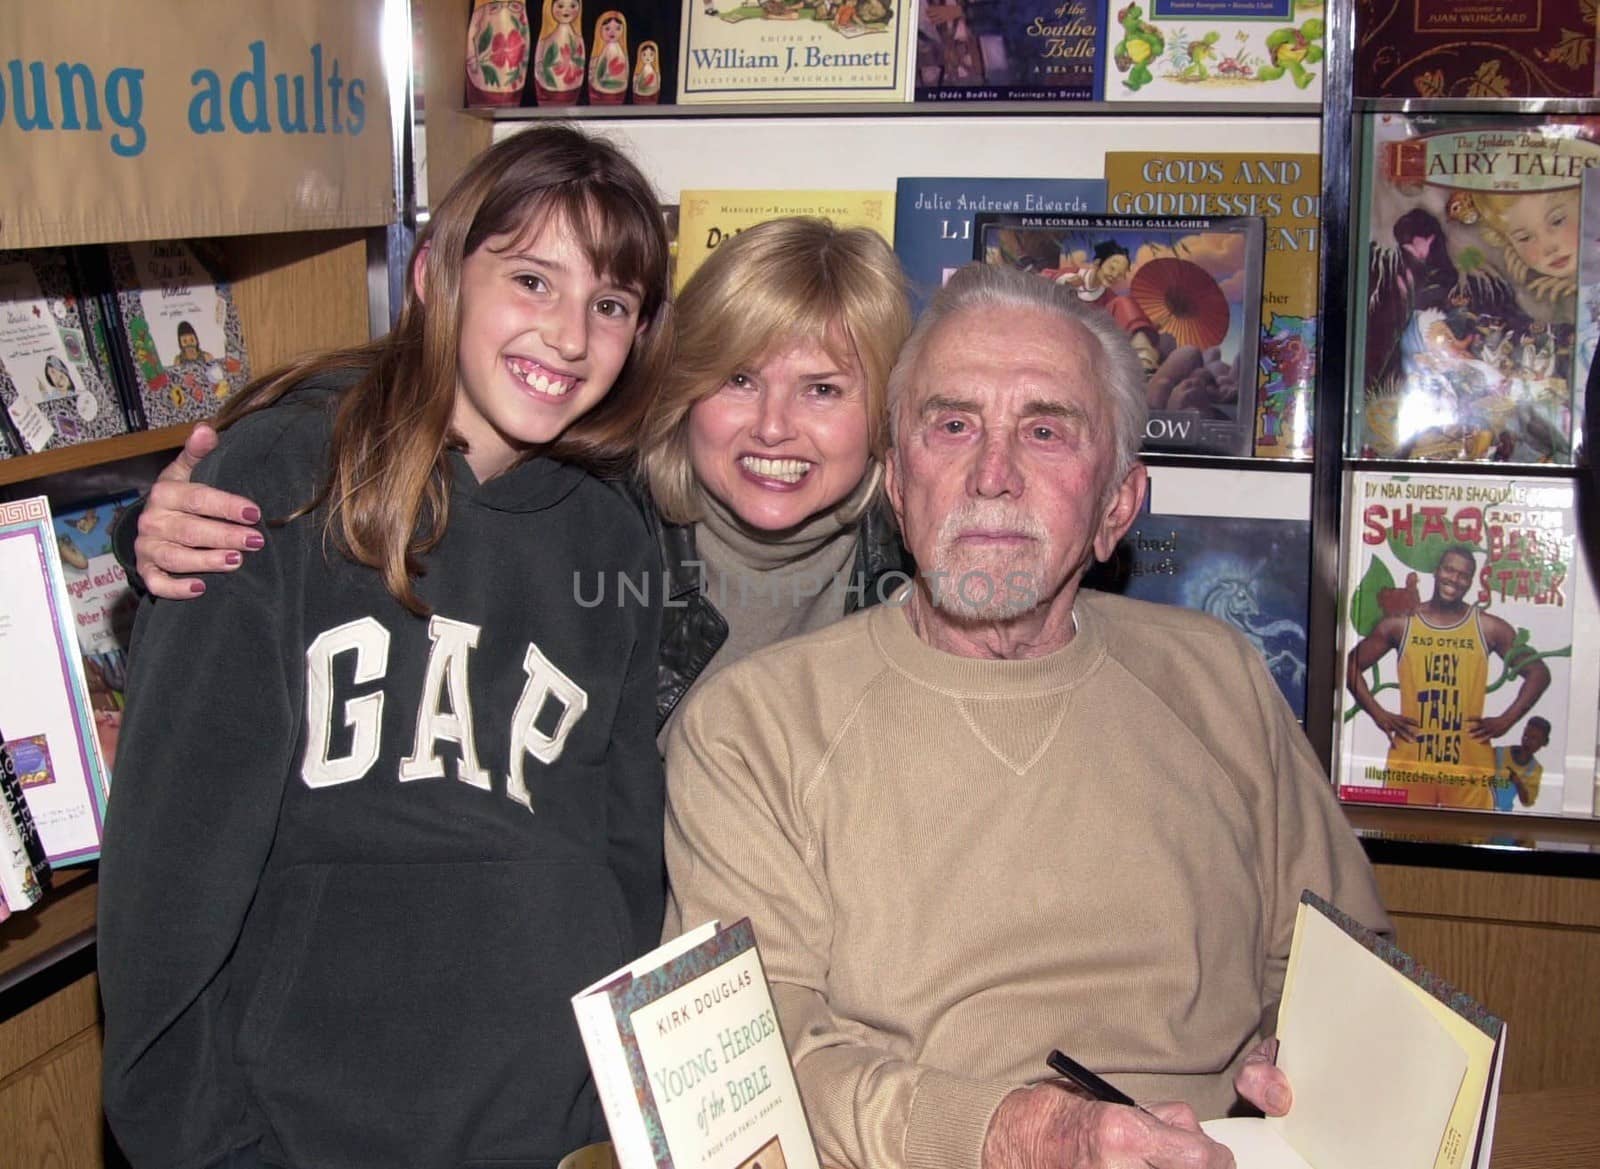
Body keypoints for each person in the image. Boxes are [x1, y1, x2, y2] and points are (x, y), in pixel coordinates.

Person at [661, 262, 1389, 1169]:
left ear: (1117, 504)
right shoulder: (755, 728)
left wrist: (1314, 1067)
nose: (993, 474)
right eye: (953, 425)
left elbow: (1352, 969)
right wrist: (1019, 1134)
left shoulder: (1220, 681)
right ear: (898, 484)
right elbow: (750, 1070)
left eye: (1045, 430)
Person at [98, 123, 674, 1169]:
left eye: (611, 304)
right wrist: (200, 1142)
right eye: (532, 279)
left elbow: (624, 853)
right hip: (303, 1129)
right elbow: (167, 872)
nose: (569, 334)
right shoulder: (276, 480)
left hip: (553, 1129)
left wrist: (609, 1114)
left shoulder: (614, 532)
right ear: (432, 275)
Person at [116, 216, 916, 736]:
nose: (774, 425)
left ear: (882, 409)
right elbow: (401, 460)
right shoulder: (596, 506)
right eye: (738, 380)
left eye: (823, 389)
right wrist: (156, 526)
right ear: (684, 385)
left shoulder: (921, 564)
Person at [1345, 544, 1552, 810]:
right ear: (1436, 571)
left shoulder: (1488, 627)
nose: (1454, 579)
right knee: (1399, 840)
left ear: (1470, 582)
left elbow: (1539, 673)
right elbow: (1350, 665)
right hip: (1411, 763)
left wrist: (1506, 721)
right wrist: (1378, 714)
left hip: (1469, 764)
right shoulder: (1401, 623)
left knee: (1470, 843)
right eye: (1449, 569)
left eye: (1463, 575)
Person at [1491, 715, 1552, 811]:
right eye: (1526, 735)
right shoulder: (1498, 753)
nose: (1527, 741)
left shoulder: (1535, 769)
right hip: (1484, 808)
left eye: (1534, 739)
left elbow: (1527, 801)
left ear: (1544, 742)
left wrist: (1518, 782)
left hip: (1503, 815)